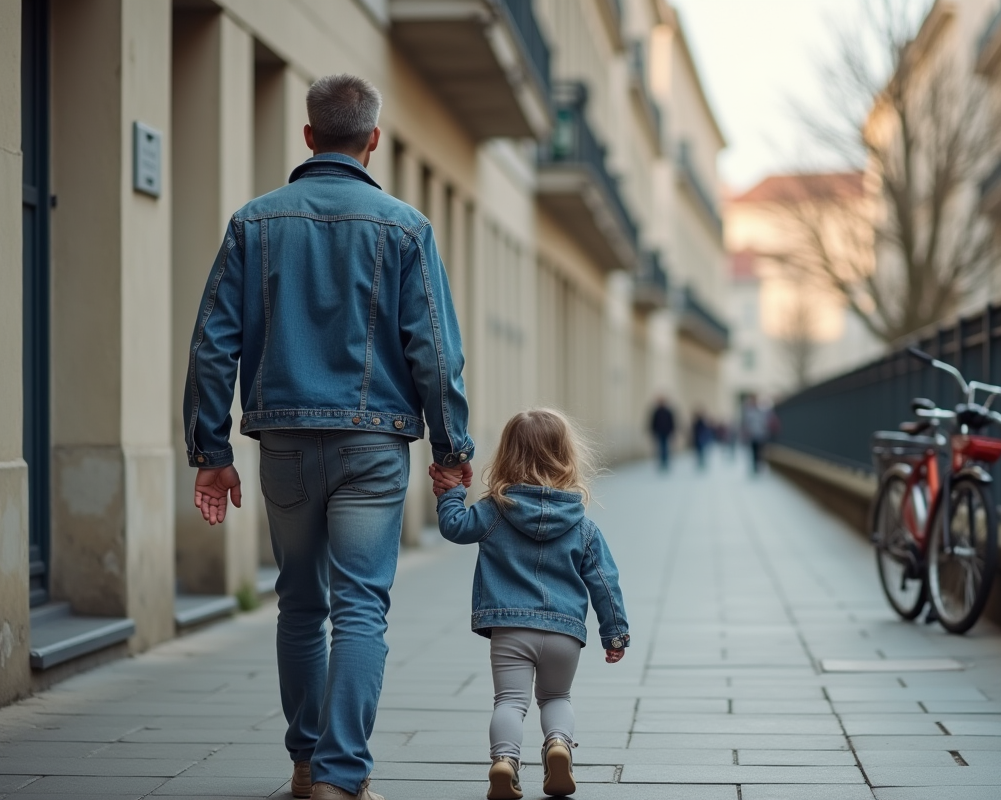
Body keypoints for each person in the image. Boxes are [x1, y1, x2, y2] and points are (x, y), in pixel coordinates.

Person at [184, 74, 473, 800]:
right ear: (373, 140)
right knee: (360, 608)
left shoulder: (253, 223)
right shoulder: (406, 227)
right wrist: (452, 451)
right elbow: (434, 353)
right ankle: (342, 780)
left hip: (282, 443)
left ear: (308, 136)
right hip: (373, 448)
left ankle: (306, 764)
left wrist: (211, 454)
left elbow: (213, 347)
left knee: (300, 605)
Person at [429, 409, 630, 800]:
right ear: (566, 456)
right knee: (556, 698)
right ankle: (558, 745)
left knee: (509, 701)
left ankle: (504, 762)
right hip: (564, 633)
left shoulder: (492, 511)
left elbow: (454, 526)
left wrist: (450, 491)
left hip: (510, 628)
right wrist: (615, 633)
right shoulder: (582, 524)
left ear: (505, 456)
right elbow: (605, 582)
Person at [742, 395, 778, 474]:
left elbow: (768, 419)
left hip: (761, 435)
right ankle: (755, 467)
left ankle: (758, 465)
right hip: (753, 435)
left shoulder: (762, 411)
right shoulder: (749, 412)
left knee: (760, 451)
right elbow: (746, 424)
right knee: (754, 451)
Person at [648, 397, 676, 471]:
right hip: (659, 432)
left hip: (666, 432)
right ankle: (661, 462)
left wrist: (672, 431)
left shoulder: (668, 412)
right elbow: (653, 422)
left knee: (665, 448)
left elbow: (671, 422)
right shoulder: (657, 412)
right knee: (660, 448)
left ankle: (665, 462)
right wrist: (653, 431)